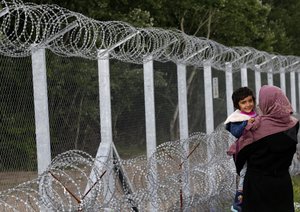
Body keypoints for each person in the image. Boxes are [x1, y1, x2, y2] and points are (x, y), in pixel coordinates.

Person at [228, 85, 299, 212]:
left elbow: (240, 155)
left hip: (258, 185)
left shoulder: (256, 128)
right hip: (282, 183)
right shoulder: (293, 124)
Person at [224, 87, 257, 212]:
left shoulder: (256, 113)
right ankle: (238, 203)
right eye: (243, 102)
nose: (248, 105)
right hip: (243, 152)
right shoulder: (236, 118)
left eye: (250, 101)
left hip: (254, 150)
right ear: (237, 105)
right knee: (244, 174)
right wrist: (246, 123)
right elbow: (237, 133)